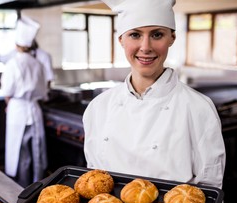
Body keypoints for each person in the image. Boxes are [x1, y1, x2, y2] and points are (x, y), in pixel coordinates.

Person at [83, 0, 226, 188]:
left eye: (157, 35)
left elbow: (210, 188)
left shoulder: (198, 107)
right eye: (135, 35)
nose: (145, 47)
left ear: (172, 38)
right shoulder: (98, 107)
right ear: (121, 40)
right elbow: (93, 180)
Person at [0, 17, 48, 188]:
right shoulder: (38, 64)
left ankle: (20, 186)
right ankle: (36, 185)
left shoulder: (12, 64)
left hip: (17, 109)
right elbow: (43, 92)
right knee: (36, 151)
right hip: (34, 110)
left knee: (20, 152)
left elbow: (7, 91)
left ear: (16, 44)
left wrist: (8, 103)